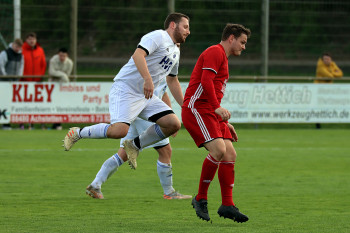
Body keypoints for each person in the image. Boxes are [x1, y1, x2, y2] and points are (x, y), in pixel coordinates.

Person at [63, 13, 190, 173]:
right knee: (119, 131)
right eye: (185, 27)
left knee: (173, 123)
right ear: (173, 25)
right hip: (126, 89)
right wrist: (147, 79)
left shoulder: (176, 51)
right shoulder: (158, 36)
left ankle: (134, 145)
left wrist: (185, 106)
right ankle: (78, 133)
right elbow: (138, 54)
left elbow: (172, 80)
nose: (188, 31)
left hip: (145, 96)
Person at [181, 23, 250, 223]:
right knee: (218, 150)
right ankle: (200, 198)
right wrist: (216, 108)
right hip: (197, 109)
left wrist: (222, 119)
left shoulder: (223, 58)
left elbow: (213, 87)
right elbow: (205, 81)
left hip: (210, 111)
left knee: (230, 153)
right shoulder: (215, 51)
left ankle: (227, 204)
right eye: (242, 42)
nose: (244, 47)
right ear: (231, 38)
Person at [85, 78, 191, 200]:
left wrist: (171, 116)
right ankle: (169, 192)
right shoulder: (151, 68)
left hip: (134, 114)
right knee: (165, 151)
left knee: (123, 154)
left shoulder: (160, 68)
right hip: (147, 115)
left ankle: (95, 184)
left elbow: (163, 93)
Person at [21, 32, 47, 130]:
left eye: (33, 39)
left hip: (37, 82)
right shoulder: (22, 50)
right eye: (29, 39)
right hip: (25, 82)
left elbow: (43, 64)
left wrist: (40, 76)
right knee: (24, 104)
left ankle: (41, 123)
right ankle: (24, 124)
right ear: (26, 40)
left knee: (38, 104)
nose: (31, 41)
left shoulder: (40, 50)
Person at [314, 53, 343, 128]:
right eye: (325, 59)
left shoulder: (333, 64)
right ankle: (317, 124)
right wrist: (333, 72)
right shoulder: (320, 66)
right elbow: (329, 76)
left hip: (328, 89)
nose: (326, 61)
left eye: (328, 59)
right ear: (322, 60)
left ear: (331, 60)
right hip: (319, 89)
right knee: (318, 107)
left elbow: (340, 74)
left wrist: (332, 72)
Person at [0, 38, 24, 130]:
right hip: (4, 83)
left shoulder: (21, 55)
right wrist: (6, 77)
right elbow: (1, 66)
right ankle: (5, 123)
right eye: (16, 46)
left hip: (14, 84)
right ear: (13, 44)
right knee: (3, 103)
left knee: (11, 103)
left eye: (19, 47)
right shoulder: (5, 53)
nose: (17, 49)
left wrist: (18, 77)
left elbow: (21, 67)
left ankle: (8, 122)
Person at [49, 47, 73, 130]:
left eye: (64, 56)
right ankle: (50, 123)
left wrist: (62, 76)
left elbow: (68, 75)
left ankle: (57, 124)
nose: (62, 58)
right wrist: (62, 75)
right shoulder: (53, 60)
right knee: (52, 105)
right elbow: (51, 72)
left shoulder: (69, 63)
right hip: (52, 86)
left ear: (67, 55)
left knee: (60, 105)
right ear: (58, 54)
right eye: (60, 55)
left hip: (62, 87)